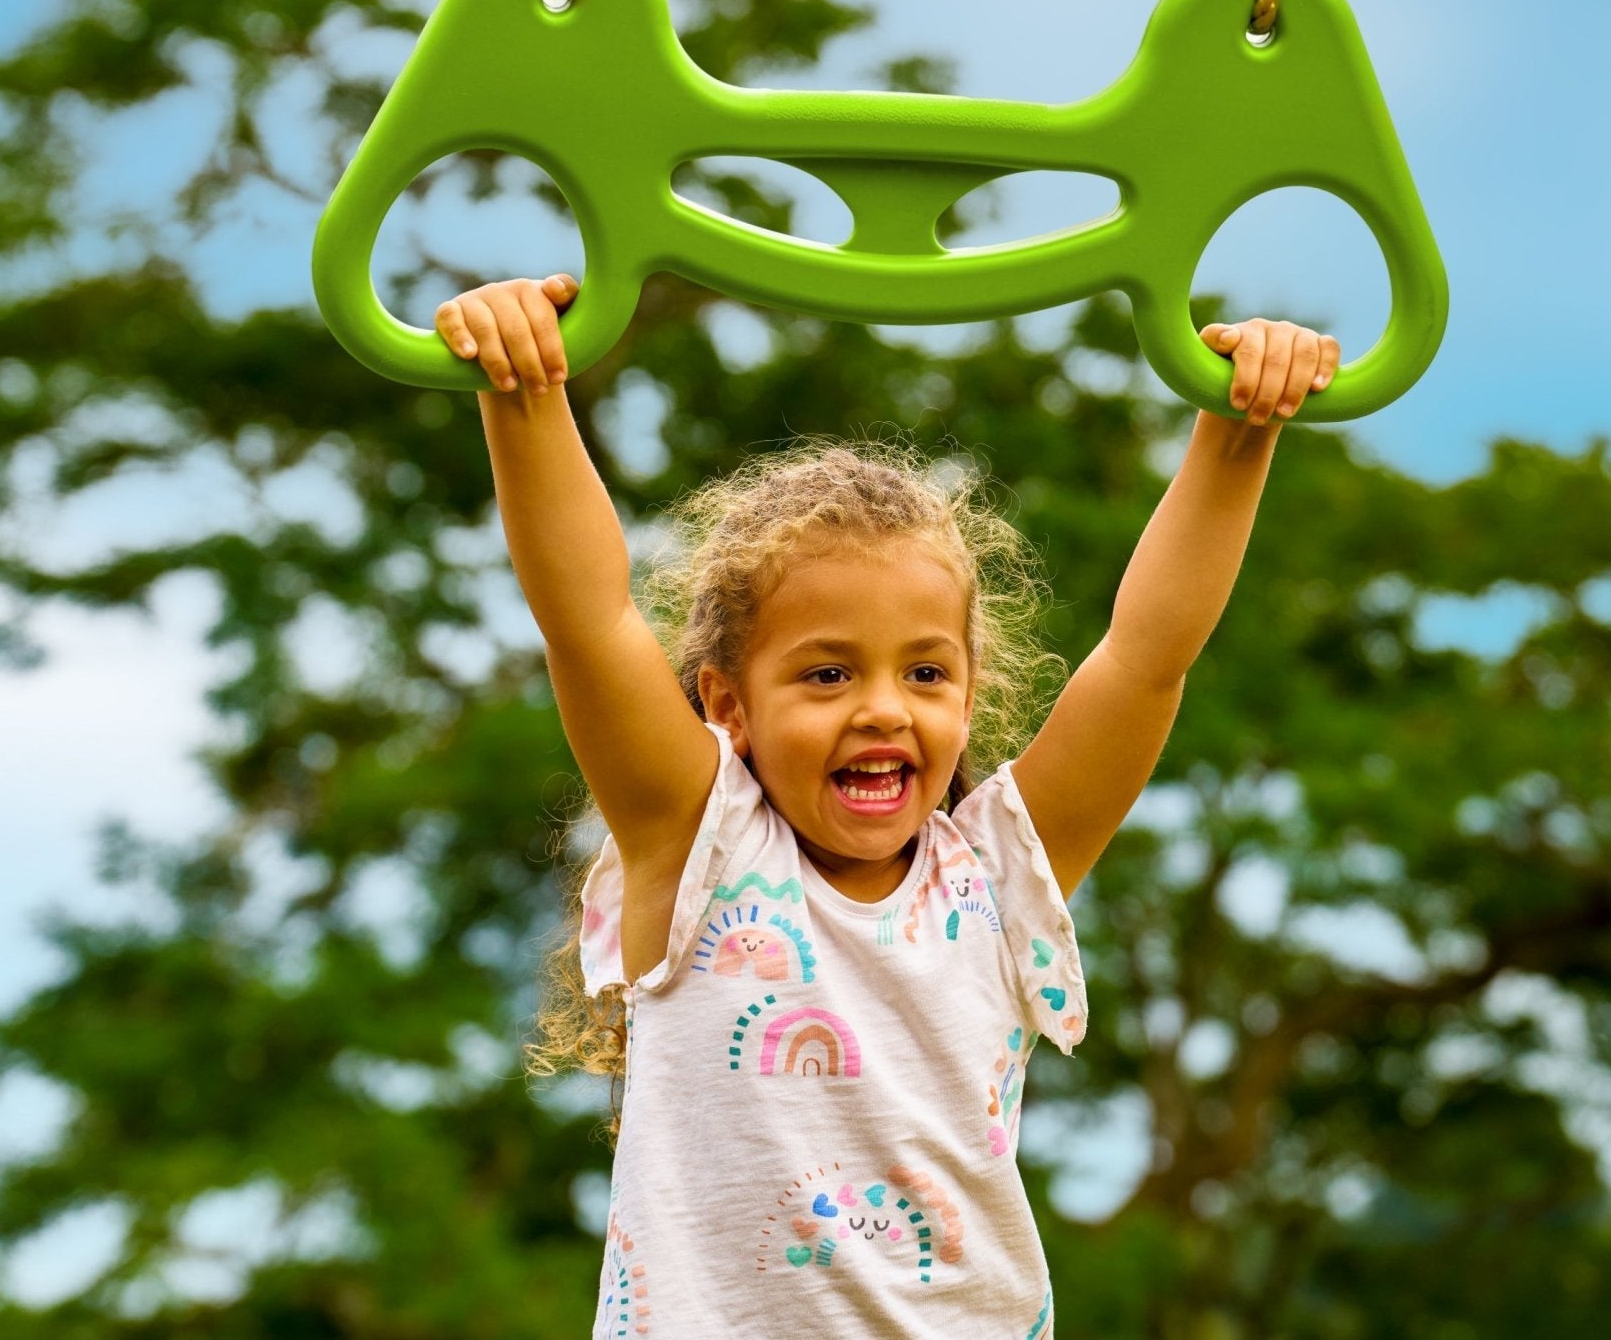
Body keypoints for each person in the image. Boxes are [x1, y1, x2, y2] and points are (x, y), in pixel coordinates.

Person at [436, 273, 1337, 1337]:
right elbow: (589, 617)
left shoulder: (996, 876)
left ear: (968, 690)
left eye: (924, 674)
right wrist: (525, 391)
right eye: (826, 676)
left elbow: (1145, 658)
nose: (882, 712)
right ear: (728, 704)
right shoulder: (696, 846)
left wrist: (1239, 430)